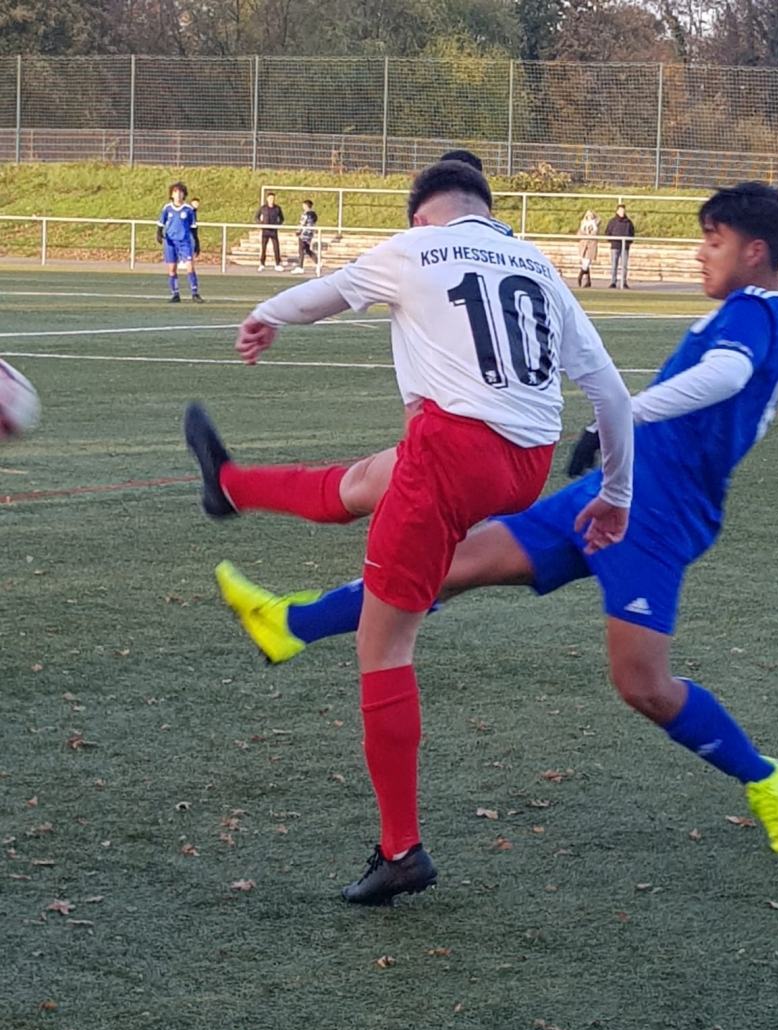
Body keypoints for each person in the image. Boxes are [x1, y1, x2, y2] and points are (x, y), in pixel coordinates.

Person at [215, 181, 778, 861]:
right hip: (606, 495)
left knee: (643, 685)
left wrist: (628, 415)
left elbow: (726, 376)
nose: (702, 253)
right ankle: (291, 624)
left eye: (714, 241)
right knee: (446, 566)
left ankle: (767, 777)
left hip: (659, 519)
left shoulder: (752, 316)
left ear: (754, 251)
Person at [185, 160, 635, 906]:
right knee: (367, 480)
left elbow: (327, 293)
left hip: (451, 456)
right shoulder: (537, 263)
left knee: (385, 646)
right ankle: (230, 486)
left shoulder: (416, 246)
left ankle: (400, 851)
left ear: (423, 215)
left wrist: (266, 313)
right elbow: (612, 396)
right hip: (523, 464)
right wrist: (615, 494)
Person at [157, 182, 203, 303]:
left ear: (184, 194)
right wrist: (159, 233)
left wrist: (197, 242)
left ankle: (195, 293)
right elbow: (161, 223)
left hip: (184, 242)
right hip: (170, 242)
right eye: (175, 192)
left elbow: (193, 227)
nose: (178, 195)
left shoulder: (188, 210)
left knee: (190, 267)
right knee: (172, 268)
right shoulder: (167, 208)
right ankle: (175, 294)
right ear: (172, 194)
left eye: (181, 192)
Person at [605, 201, 635, 289]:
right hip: (615, 246)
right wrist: (612, 241)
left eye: (623, 210)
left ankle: (624, 282)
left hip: (625, 247)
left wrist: (628, 242)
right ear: (617, 211)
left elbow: (632, 233)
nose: (622, 212)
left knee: (624, 265)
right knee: (614, 265)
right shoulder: (613, 222)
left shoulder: (628, 222)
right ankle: (613, 282)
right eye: (621, 210)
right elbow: (608, 232)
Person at [255, 191, 285, 272]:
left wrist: (277, 224)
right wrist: (261, 224)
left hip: (273, 231)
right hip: (265, 230)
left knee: (276, 247)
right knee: (263, 247)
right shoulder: (263, 208)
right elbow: (256, 217)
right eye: (270, 198)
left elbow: (282, 218)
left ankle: (277, 264)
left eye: (273, 198)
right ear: (267, 199)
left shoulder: (277, 208)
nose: (272, 200)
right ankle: (262, 263)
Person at [290, 199, 318, 275]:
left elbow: (302, 223)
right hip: (309, 234)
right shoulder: (313, 214)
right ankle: (317, 262)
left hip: (304, 234)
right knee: (307, 249)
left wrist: (298, 231)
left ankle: (300, 266)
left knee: (301, 250)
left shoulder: (306, 214)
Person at [576, 209, 600, 288]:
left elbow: (594, 234)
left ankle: (580, 276)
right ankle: (588, 281)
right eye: (588, 215)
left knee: (586, 263)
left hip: (591, 246)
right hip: (583, 245)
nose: (589, 217)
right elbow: (579, 235)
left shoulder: (595, 224)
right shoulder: (583, 224)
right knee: (585, 263)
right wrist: (582, 230)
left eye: (591, 215)